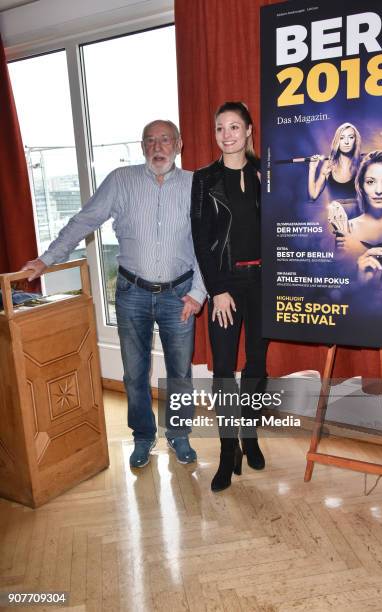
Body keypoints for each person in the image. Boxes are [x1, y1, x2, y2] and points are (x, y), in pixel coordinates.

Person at [22, 120, 207, 468]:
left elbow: (206, 246)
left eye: (165, 140)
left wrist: (198, 292)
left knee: (179, 372)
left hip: (179, 295)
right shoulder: (121, 181)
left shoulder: (197, 185)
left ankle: (179, 435)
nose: (158, 147)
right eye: (150, 141)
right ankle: (142, 436)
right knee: (134, 373)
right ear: (142, 147)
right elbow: (84, 220)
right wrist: (47, 260)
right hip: (131, 294)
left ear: (179, 144)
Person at [191, 101, 269, 492]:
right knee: (223, 369)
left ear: (249, 130)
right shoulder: (204, 179)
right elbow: (202, 241)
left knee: (256, 364)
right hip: (226, 285)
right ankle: (227, 452)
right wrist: (217, 288)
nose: (226, 135)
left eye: (234, 127)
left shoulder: (264, 173)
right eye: (220, 128)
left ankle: (249, 436)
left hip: (263, 284)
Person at [335, 151, 382, 263]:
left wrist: (359, 250)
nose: (378, 191)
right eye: (370, 182)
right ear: (361, 186)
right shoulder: (346, 228)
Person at [308, 123, 362, 218]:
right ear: (337, 141)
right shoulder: (329, 165)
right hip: (337, 221)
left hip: (359, 221)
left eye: (350, 137)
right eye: (342, 138)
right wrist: (312, 168)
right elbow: (313, 196)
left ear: (356, 140)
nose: (346, 142)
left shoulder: (362, 164)